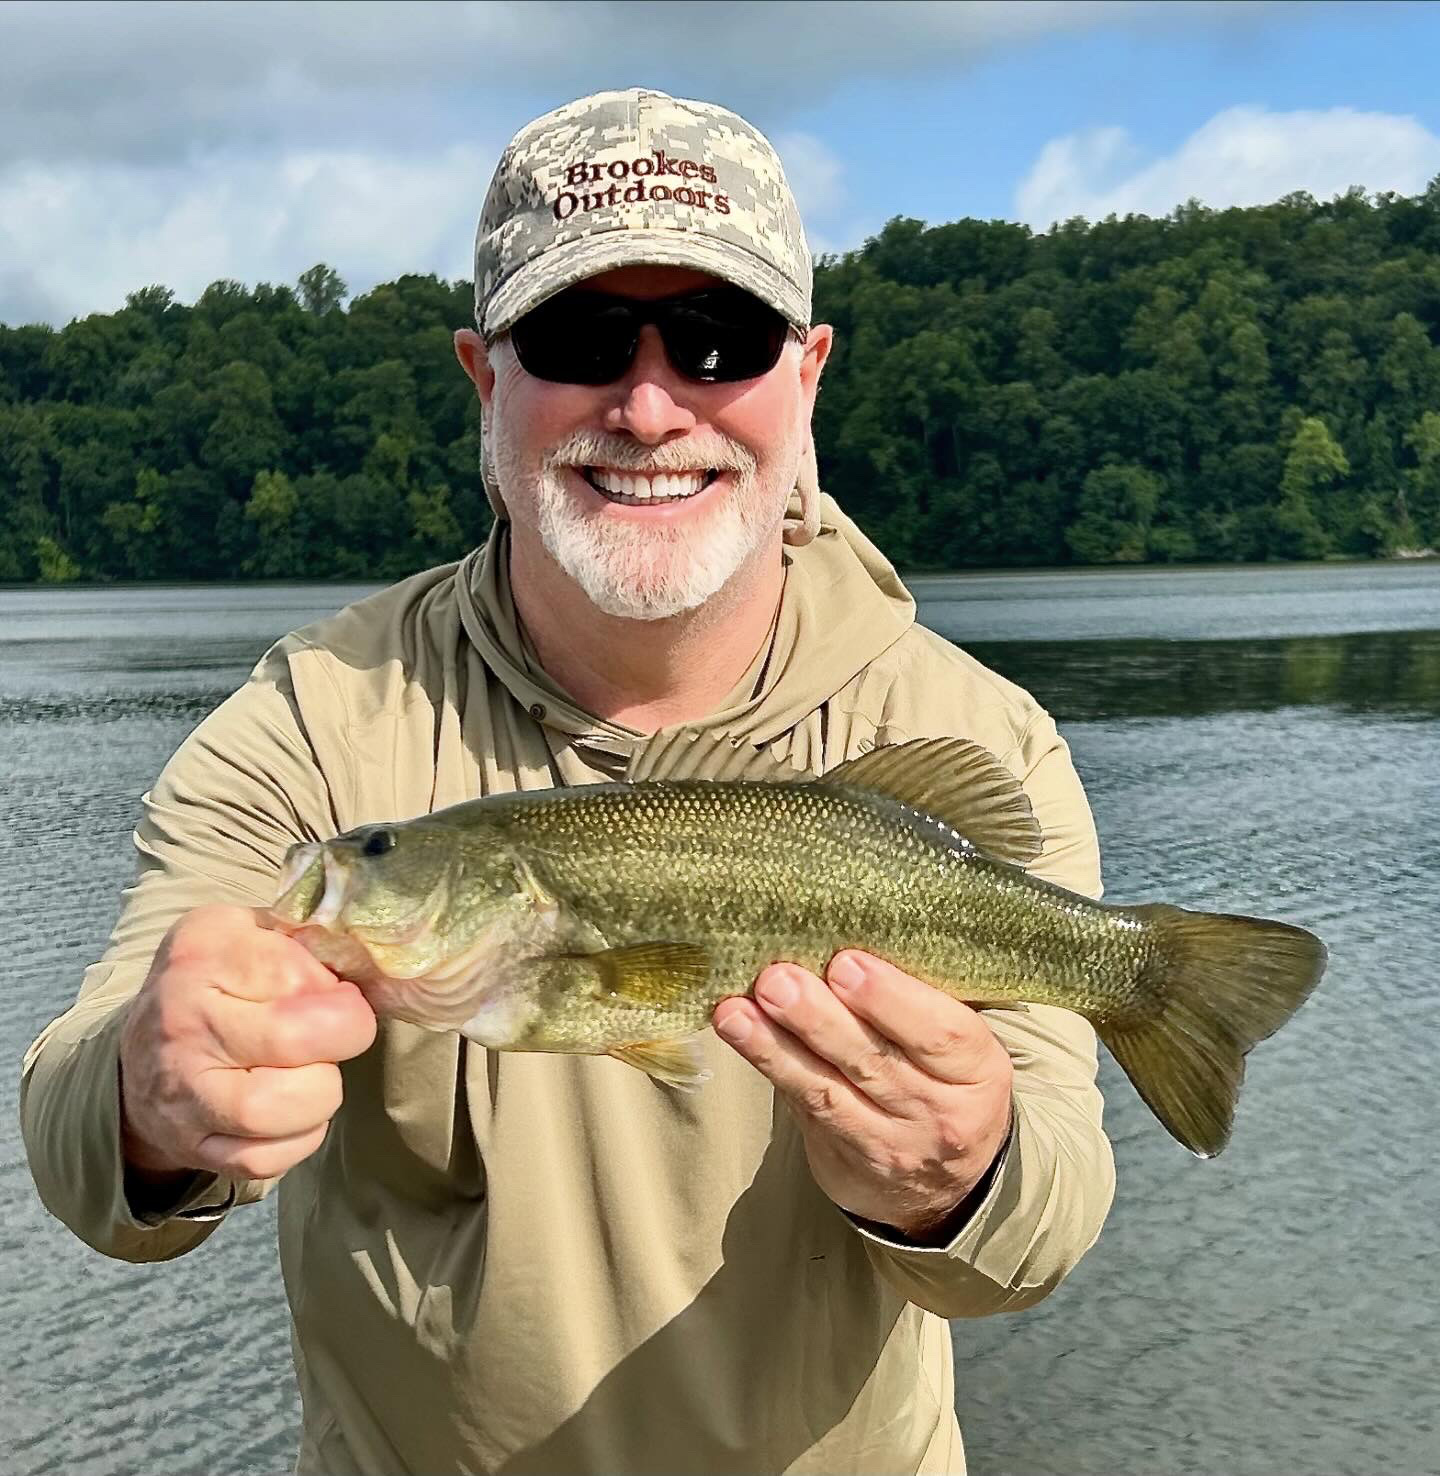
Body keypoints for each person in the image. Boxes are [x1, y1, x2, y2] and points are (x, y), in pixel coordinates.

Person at [22, 89, 1114, 1475]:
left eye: (719, 342)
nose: (650, 405)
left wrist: (961, 1178)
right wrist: (149, 1097)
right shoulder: (315, 722)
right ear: (488, 378)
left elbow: (1039, 1232)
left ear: (808, 374)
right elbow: (79, 1149)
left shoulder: (971, 733)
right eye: (582, 339)